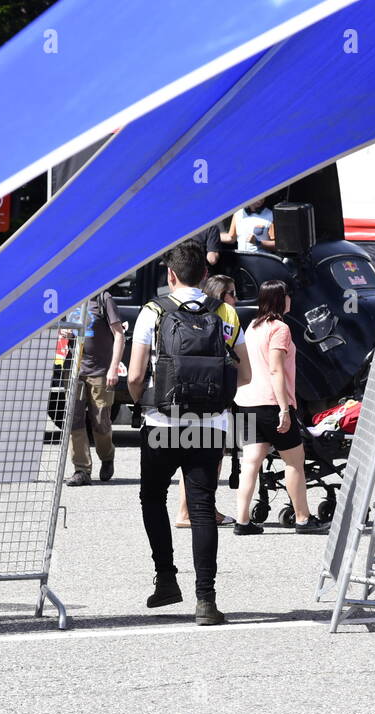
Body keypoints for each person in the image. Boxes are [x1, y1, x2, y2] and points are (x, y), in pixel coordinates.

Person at [127, 241, 251, 625]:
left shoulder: (153, 312)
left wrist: (141, 400)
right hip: (210, 425)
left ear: (171, 274)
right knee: (201, 508)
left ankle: (166, 579)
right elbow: (245, 375)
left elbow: (134, 376)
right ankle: (206, 600)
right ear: (205, 275)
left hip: (162, 423)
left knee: (152, 497)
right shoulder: (226, 311)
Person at [232, 279, 329, 536]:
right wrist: (285, 409)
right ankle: (302, 518)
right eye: (287, 295)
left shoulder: (252, 327)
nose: (290, 299)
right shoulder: (280, 329)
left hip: (247, 400)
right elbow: (276, 369)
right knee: (295, 461)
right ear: (279, 298)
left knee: (251, 462)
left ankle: (242, 521)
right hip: (272, 403)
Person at [174, 274, 238, 529]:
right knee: (213, 458)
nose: (236, 298)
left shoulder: (189, 311)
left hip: (184, 391)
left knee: (190, 459)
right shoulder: (227, 314)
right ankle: (204, 510)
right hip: (215, 394)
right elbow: (234, 353)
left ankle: (183, 512)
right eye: (232, 293)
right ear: (222, 295)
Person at [65, 286, 124, 486]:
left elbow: (119, 335)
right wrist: (65, 329)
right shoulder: (71, 296)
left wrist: (114, 368)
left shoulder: (103, 298)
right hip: (74, 371)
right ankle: (81, 469)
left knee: (100, 421)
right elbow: (63, 327)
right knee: (74, 420)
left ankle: (107, 457)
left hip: (100, 371)